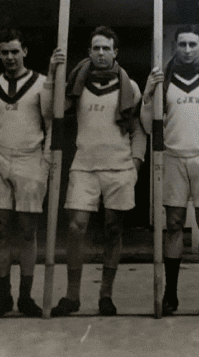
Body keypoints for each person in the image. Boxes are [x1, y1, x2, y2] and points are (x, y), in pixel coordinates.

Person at [0, 28, 63, 317]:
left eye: (15, 51)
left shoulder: (42, 83)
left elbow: (50, 120)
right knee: (1, 230)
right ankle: (4, 297)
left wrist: (47, 161)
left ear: (25, 52)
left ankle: (26, 297)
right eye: (5, 52)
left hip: (30, 159)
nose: (10, 57)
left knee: (28, 231)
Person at [50, 27, 146, 317]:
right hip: (85, 165)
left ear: (115, 52)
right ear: (89, 51)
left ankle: (106, 295)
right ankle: (72, 295)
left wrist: (135, 164)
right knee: (76, 226)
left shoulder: (130, 86)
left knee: (113, 229)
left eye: (106, 48)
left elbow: (139, 129)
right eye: (96, 48)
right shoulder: (76, 83)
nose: (101, 53)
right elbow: (53, 110)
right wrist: (53, 74)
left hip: (119, 167)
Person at [141, 24, 199, 316]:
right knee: (173, 223)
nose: (187, 49)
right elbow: (148, 125)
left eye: (193, 44)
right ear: (175, 46)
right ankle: (170, 294)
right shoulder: (163, 78)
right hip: (173, 156)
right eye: (182, 44)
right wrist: (148, 94)